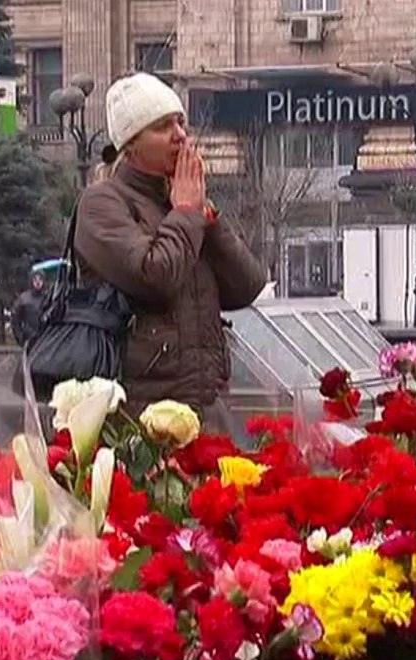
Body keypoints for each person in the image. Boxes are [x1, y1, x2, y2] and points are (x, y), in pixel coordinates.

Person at [74, 72, 267, 419]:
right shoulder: (102, 203)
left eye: (181, 122)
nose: (180, 135)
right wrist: (187, 213)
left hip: (205, 404)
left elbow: (248, 285)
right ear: (131, 143)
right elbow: (155, 276)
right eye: (163, 126)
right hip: (141, 413)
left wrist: (208, 218)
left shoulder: (183, 203)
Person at [11, 271, 47, 347]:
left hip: (45, 340)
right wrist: (20, 338)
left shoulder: (47, 298)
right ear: (31, 281)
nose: (37, 283)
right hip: (29, 339)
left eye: (40, 280)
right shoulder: (23, 299)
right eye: (35, 280)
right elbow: (15, 321)